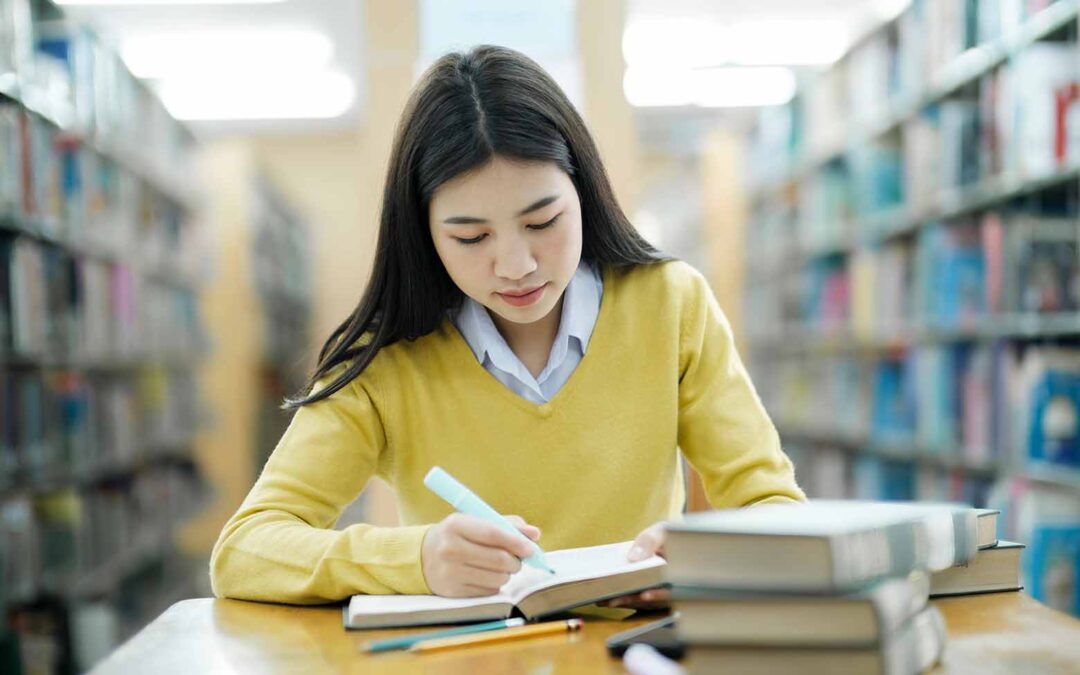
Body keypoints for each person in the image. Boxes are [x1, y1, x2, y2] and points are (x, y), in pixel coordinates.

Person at [210, 45, 804, 607]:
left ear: (584, 193)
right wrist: (414, 558)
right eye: (471, 237)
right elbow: (244, 553)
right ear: (423, 234)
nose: (516, 266)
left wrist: (706, 552)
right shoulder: (386, 360)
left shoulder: (671, 304)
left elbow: (776, 507)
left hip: (633, 654)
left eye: (543, 221)